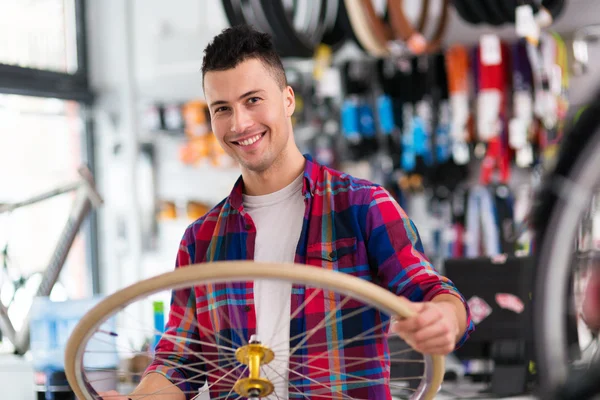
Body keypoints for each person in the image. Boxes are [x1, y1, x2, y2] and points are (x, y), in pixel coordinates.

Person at [100, 24, 474, 400]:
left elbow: (433, 292)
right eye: (222, 109)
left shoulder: (361, 206)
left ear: (289, 99)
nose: (240, 123)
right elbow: (177, 360)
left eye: (253, 100)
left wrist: (444, 318)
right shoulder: (201, 240)